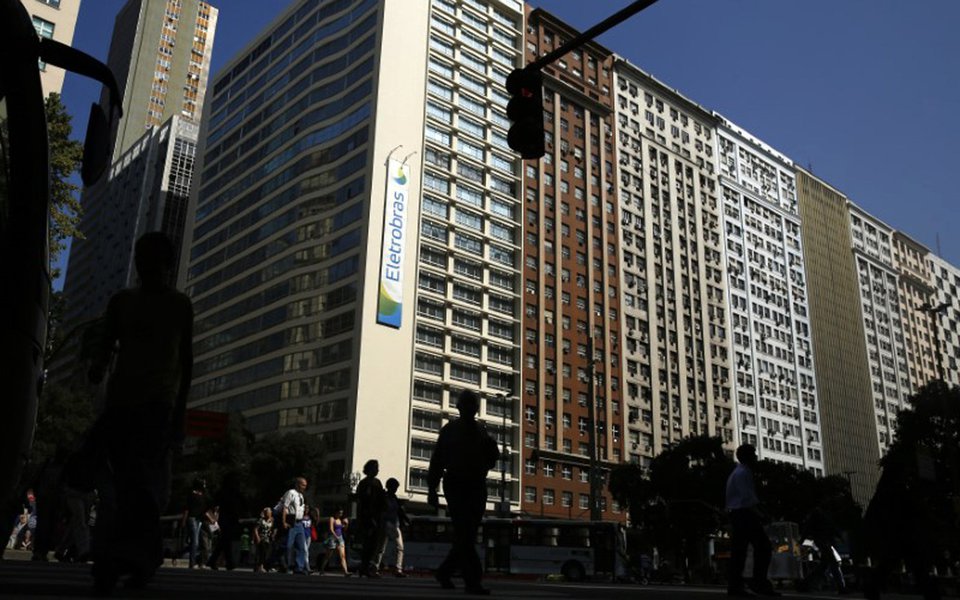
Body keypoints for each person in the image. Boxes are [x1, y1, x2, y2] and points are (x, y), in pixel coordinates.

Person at [86, 232, 193, 594]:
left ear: (167, 265)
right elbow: (105, 340)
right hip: (121, 401)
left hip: (157, 404)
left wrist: (179, 414)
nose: (149, 267)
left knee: (142, 483)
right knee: (122, 483)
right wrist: (98, 366)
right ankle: (130, 555)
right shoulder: (122, 301)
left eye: (157, 261)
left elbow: (187, 362)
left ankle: (130, 556)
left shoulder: (180, 305)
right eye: (144, 259)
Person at [428, 389, 500, 596]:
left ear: (476, 409)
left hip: (476, 485)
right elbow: (437, 461)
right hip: (457, 484)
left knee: (465, 534)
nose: (469, 409)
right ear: (459, 407)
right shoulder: (450, 430)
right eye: (466, 405)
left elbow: (491, 460)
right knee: (465, 533)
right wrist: (432, 489)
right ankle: (472, 580)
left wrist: (491, 451)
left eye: (472, 405)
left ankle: (445, 571)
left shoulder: (481, 431)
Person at [725, 443, 778, 597]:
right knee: (762, 548)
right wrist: (763, 515)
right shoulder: (743, 473)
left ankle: (738, 586)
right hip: (744, 515)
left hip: (739, 514)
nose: (756, 456)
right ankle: (758, 583)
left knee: (740, 552)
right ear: (747, 457)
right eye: (753, 454)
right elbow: (748, 499)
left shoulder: (738, 472)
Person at [355, 459, 385, 577]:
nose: (377, 470)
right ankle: (365, 567)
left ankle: (366, 567)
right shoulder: (367, 483)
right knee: (369, 543)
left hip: (374, 516)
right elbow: (364, 501)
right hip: (369, 517)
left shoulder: (376, 483)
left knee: (373, 544)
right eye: (376, 468)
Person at [374, 477, 410, 577]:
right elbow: (379, 510)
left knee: (400, 547)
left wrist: (406, 520)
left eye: (396, 488)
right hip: (385, 524)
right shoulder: (384, 497)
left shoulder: (395, 498)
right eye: (394, 487)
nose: (395, 489)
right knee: (381, 548)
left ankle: (398, 569)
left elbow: (400, 511)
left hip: (395, 524)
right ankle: (375, 568)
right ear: (389, 487)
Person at [280, 477, 309, 574]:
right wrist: (284, 522)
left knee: (301, 547)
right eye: (303, 485)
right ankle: (285, 566)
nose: (304, 487)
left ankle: (299, 568)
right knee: (288, 545)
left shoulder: (301, 495)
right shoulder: (291, 493)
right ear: (297, 484)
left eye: (305, 485)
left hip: (300, 523)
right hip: (291, 522)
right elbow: (285, 507)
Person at [180, 479, 208, 568]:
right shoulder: (192, 495)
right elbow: (186, 508)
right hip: (191, 518)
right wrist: (184, 521)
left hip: (199, 519)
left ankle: (178, 553)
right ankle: (192, 563)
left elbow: (205, 508)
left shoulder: (204, 495)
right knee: (195, 542)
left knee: (196, 543)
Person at [317, 507, 350, 576]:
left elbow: (344, 529)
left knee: (342, 556)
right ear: (336, 512)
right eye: (339, 513)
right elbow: (331, 529)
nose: (340, 514)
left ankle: (345, 572)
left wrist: (346, 524)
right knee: (328, 555)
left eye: (341, 513)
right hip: (333, 538)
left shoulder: (341, 519)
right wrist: (336, 537)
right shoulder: (332, 518)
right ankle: (322, 569)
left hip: (340, 537)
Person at [253, 507, 274, 573]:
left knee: (266, 553)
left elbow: (272, 528)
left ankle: (263, 566)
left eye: (269, 512)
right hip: (261, 538)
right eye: (267, 513)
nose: (268, 514)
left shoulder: (272, 520)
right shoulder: (261, 520)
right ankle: (260, 567)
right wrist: (257, 537)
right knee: (262, 552)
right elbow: (255, 529)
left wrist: (273, 534)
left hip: (268, 539)